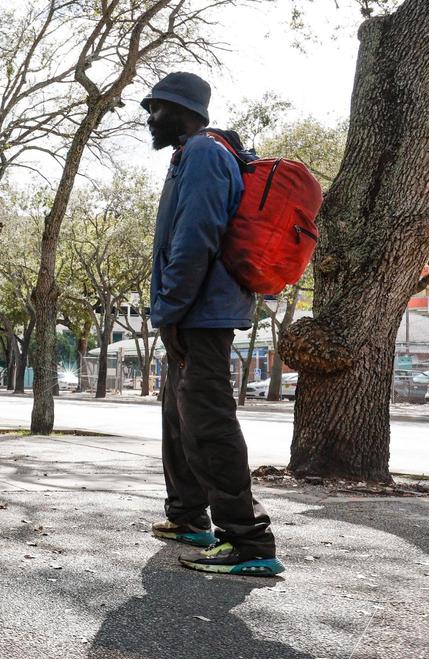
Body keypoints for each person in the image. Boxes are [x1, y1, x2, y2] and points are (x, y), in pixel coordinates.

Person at [141, 72, 284, 577]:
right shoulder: (192, 154)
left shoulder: (204, 153)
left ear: (182, 110)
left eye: (155, 107)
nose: (148, 116)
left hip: (201, 314)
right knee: (179, 417)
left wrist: (170, 312)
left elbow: (195, 239)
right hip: (192, 312)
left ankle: (248, 541)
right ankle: (188, 518)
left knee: (208, 422)